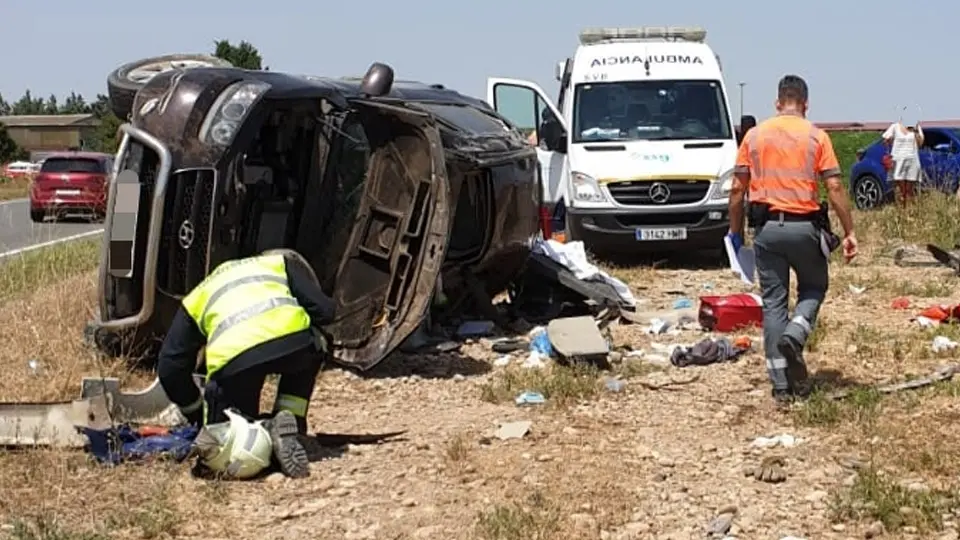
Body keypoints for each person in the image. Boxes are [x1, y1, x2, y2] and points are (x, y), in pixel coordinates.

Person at [726, 75, 858, 405]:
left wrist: (735, 233)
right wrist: (850, 231)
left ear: (777, 103)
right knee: (814, 287)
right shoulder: (817, 137)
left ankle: (781, 386)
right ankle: (796, 333)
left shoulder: (753, 137)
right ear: (805, 104)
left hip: (767, 232)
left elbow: (737, 189)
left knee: (773, 303)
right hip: (805, 229)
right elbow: (836, 188)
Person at [157, 250, 335, 478]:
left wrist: (194, 411)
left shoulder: (198, 294)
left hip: (236, 363)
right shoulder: (279, 265)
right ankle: (290, 421)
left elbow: (170, 367)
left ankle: (265, 432)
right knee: (317, 341)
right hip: (295, 347)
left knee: (227, 447)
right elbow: (326, 311)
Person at [882, 119, 924, 205]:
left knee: (909, 191)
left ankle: (908, 212)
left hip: (912, 161)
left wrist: (915, 132)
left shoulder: (916, 127)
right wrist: (888, 140)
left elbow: (920, 144)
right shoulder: (895, 126)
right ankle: (900, 212)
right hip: (898, 162)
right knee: (900, 190)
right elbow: (885, 141)